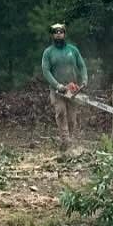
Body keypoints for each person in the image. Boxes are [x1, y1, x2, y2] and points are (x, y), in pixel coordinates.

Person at [41, 21, 88, 149]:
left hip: (72, 88)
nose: (58, 34)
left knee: (72, 117)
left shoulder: (73, 50)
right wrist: (57, 85)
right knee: (61, 112)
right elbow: (46, 71)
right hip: (57, 90)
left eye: (61, 32)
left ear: (64, 34)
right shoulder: (48, 52)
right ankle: (65, 139)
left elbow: (82, 66)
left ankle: (70, 139)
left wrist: (84, 80)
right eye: (55, 32)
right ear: (52, 35)